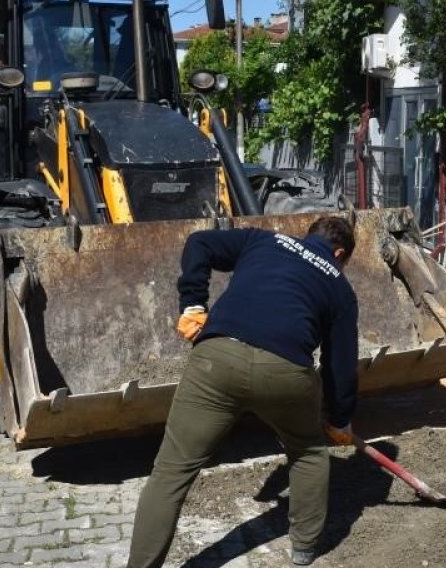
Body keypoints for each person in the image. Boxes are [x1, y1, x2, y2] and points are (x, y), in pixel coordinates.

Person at [127, 216, 360, 568]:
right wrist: (340, 418)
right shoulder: (340, 287)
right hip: (284, 373)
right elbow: (340, 363)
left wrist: (193, 303)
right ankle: (303, 549)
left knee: (171, 471)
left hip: (217, 357)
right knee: (308, 452)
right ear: (339, 253)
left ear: (309, 235)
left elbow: (199, 242)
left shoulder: (263, 240)